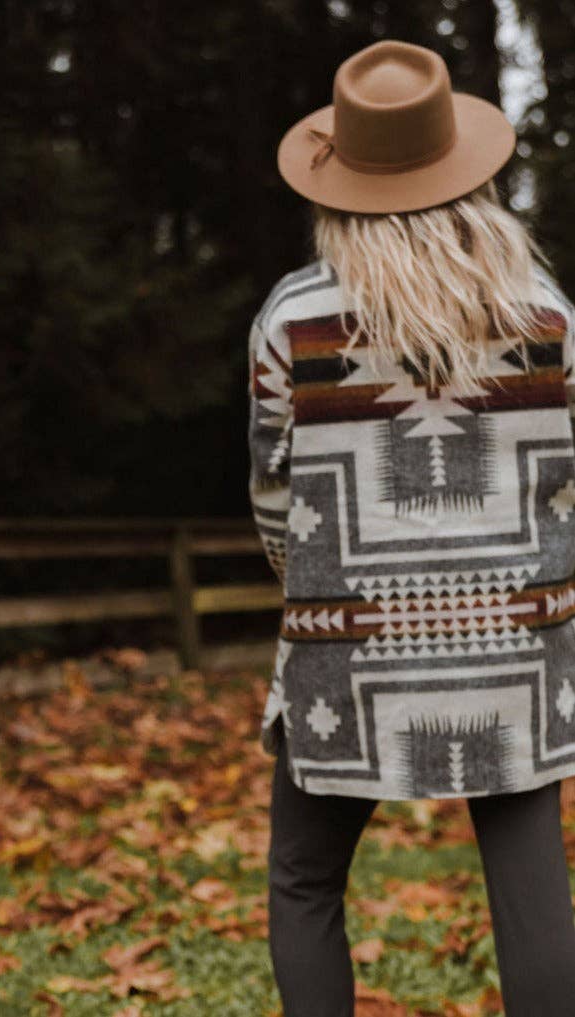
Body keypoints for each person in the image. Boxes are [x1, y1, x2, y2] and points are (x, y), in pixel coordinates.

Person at [249, 39, 575, 1016]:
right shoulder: (550, 314)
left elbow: (275, 499)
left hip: (348, 652)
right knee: (531, 898)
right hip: (516, 644)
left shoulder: (292, 317)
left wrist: (328, 594)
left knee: (305, 882)